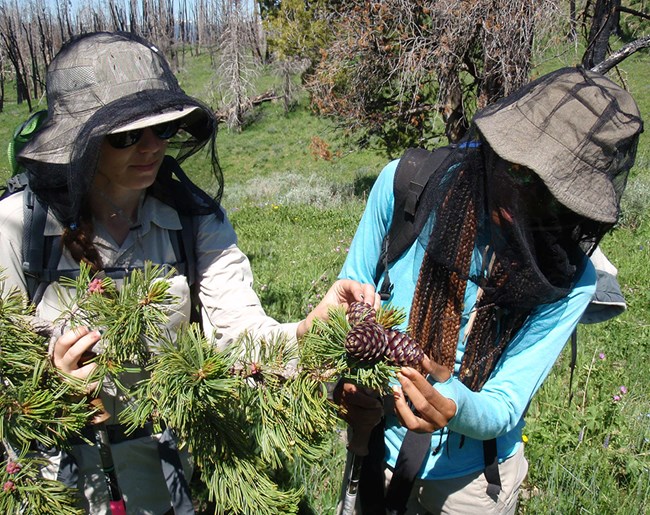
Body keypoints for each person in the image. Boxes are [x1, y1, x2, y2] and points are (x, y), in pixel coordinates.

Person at [0, 31, 378, 514]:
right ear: (82, 142)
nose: (152, 147)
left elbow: (239, 332)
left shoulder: (194, 221)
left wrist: (307, 331)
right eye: (126, 136)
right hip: (59, 486)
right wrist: (51, 387)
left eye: (165, 129)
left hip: (165, 478)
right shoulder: (19, 229)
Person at [337, 67, 643, 514]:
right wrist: (344, 383)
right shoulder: (409, 187)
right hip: (377, 445)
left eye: (550, 192)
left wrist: (452, 402)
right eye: (518, 172)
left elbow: (504, 403)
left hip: (473, 484)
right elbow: (345, 303)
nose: (524, 197)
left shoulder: (570, 280)